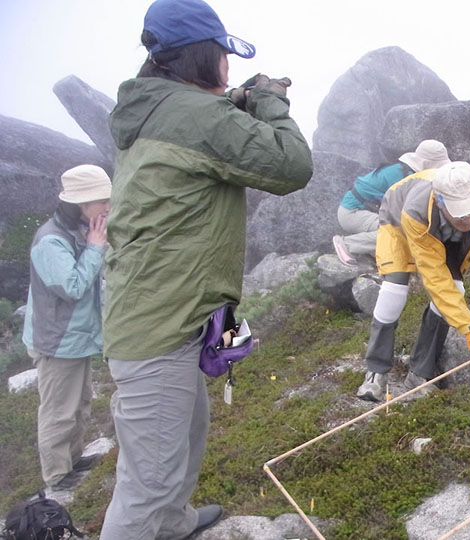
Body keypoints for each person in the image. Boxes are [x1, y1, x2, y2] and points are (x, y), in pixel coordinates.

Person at [99, 0, 313, 538]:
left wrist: (234, 101)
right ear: (204, 56)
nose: (225, 63)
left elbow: (203, 138)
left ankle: (172, 524)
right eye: (222, 53)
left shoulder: (159, 109)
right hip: (158, 324)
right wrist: (267, 99)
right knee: (145, 484)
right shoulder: (195, 116)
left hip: (161, 310)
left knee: (188, 430)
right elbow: (292, 164)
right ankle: (157, 520)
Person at [356, 161, 470, 401]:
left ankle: (420, 373)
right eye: (460, 213)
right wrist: (468, 327)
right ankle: (375, 372)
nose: (468, 220)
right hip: (399, 219)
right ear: (440, 202)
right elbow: (435, 279)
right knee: (394, 290)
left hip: (447, 234)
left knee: (457, 288)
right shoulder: (416, 211)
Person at [22, 164, 111, 492]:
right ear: (81, 204)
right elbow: (71, 287)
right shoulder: (50, 240)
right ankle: (58, 477)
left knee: (80, 402)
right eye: (102, 200)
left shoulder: (79, 229)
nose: (107, 207)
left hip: (76, 337)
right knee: (59, 411)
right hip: (57, 341)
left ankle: (73, 459)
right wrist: (95, 248)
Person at [332, 139, 451, 266]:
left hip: (362, 210)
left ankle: (373, 252)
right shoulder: (404, 177)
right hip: (352, 213)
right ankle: (347, 244)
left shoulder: (405, 171)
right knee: (398, 232)